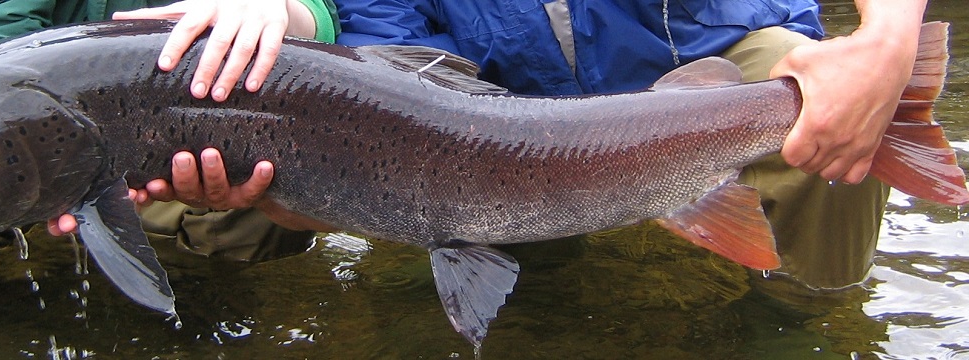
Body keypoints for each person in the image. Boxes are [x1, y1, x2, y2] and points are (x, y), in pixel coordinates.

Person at [65, 0, 928, 300]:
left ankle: (808, 312)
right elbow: (377, 68)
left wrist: (888, 42)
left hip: (705, 76)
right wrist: (276, 186)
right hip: (514, 129)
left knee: (809, 87)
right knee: (470, 235)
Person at [0, 0, 340, 313]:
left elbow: (325, 21)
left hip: (141, 155)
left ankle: (156, 291)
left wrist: (284, 9)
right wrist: (59, 182)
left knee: (263, 219)